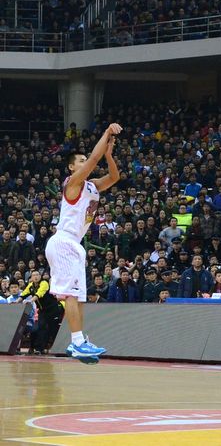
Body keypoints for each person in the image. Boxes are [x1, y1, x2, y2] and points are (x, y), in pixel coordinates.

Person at [45, 122, 122, 364]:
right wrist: (107, 133)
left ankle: (79, 342)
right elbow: (93, 160)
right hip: (63, 241)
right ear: (71, 167)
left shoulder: (92, 185)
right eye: (80, 160)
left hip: (75, 244)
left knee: (79, 297)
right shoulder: (73, 183)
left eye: (84, 160)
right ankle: (76, 342)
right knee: (70, 295)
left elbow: (114, 177)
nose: (85, 161)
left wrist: (109, 155)